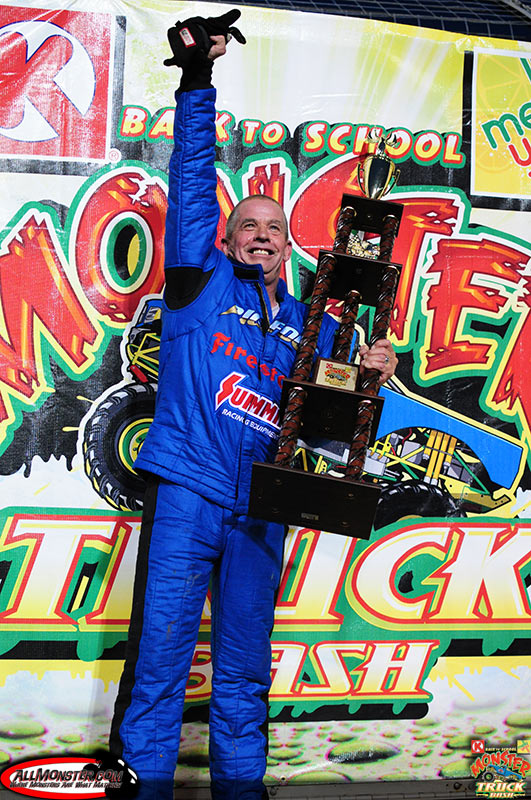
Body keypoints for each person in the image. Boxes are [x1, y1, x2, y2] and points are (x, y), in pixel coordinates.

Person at [109, 11, 397, 800]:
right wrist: (198, 81)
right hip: (188, 494)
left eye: (273, 228)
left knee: (242, 674)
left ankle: (244, 792)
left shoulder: (305, 330)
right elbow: (194, 175)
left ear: (284, 248)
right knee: (163, 663)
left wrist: (372, 368)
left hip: (263, 510)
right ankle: (145, 790)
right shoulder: (197, 283)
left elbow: (343, 418)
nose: (262, 234)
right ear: (226, 240)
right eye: (249, 226)